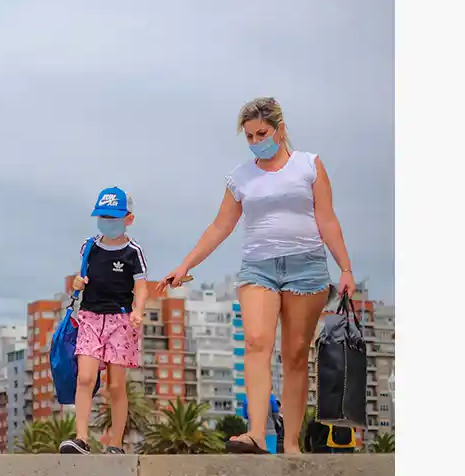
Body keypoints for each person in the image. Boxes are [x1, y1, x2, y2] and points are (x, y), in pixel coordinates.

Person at [163, 97, 357, 455]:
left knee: (296, 354)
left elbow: (327, 219)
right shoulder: (240, 177)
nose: (256, 141)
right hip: (258, 269)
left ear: (281, 130)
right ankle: (255, 432)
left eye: (262, 133)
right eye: (249, 136)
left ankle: (293, 444)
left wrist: (344, 267)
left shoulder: (309, 166)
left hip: (307, 267)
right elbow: (220, 226)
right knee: (255, 341)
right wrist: (186, 264)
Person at [59, 187, 148, 455]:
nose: (107, 222)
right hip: (89, 317)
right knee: (85, 377)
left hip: (121, 320)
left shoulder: (133, 252)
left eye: (113, 217)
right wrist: (77, 282)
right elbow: (80, 278)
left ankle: (116, 444)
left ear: (128, 219)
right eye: (103, 217)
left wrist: (139, 310)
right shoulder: (89, 246)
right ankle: (81, 438)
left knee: (116, 385)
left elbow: (141, 286)